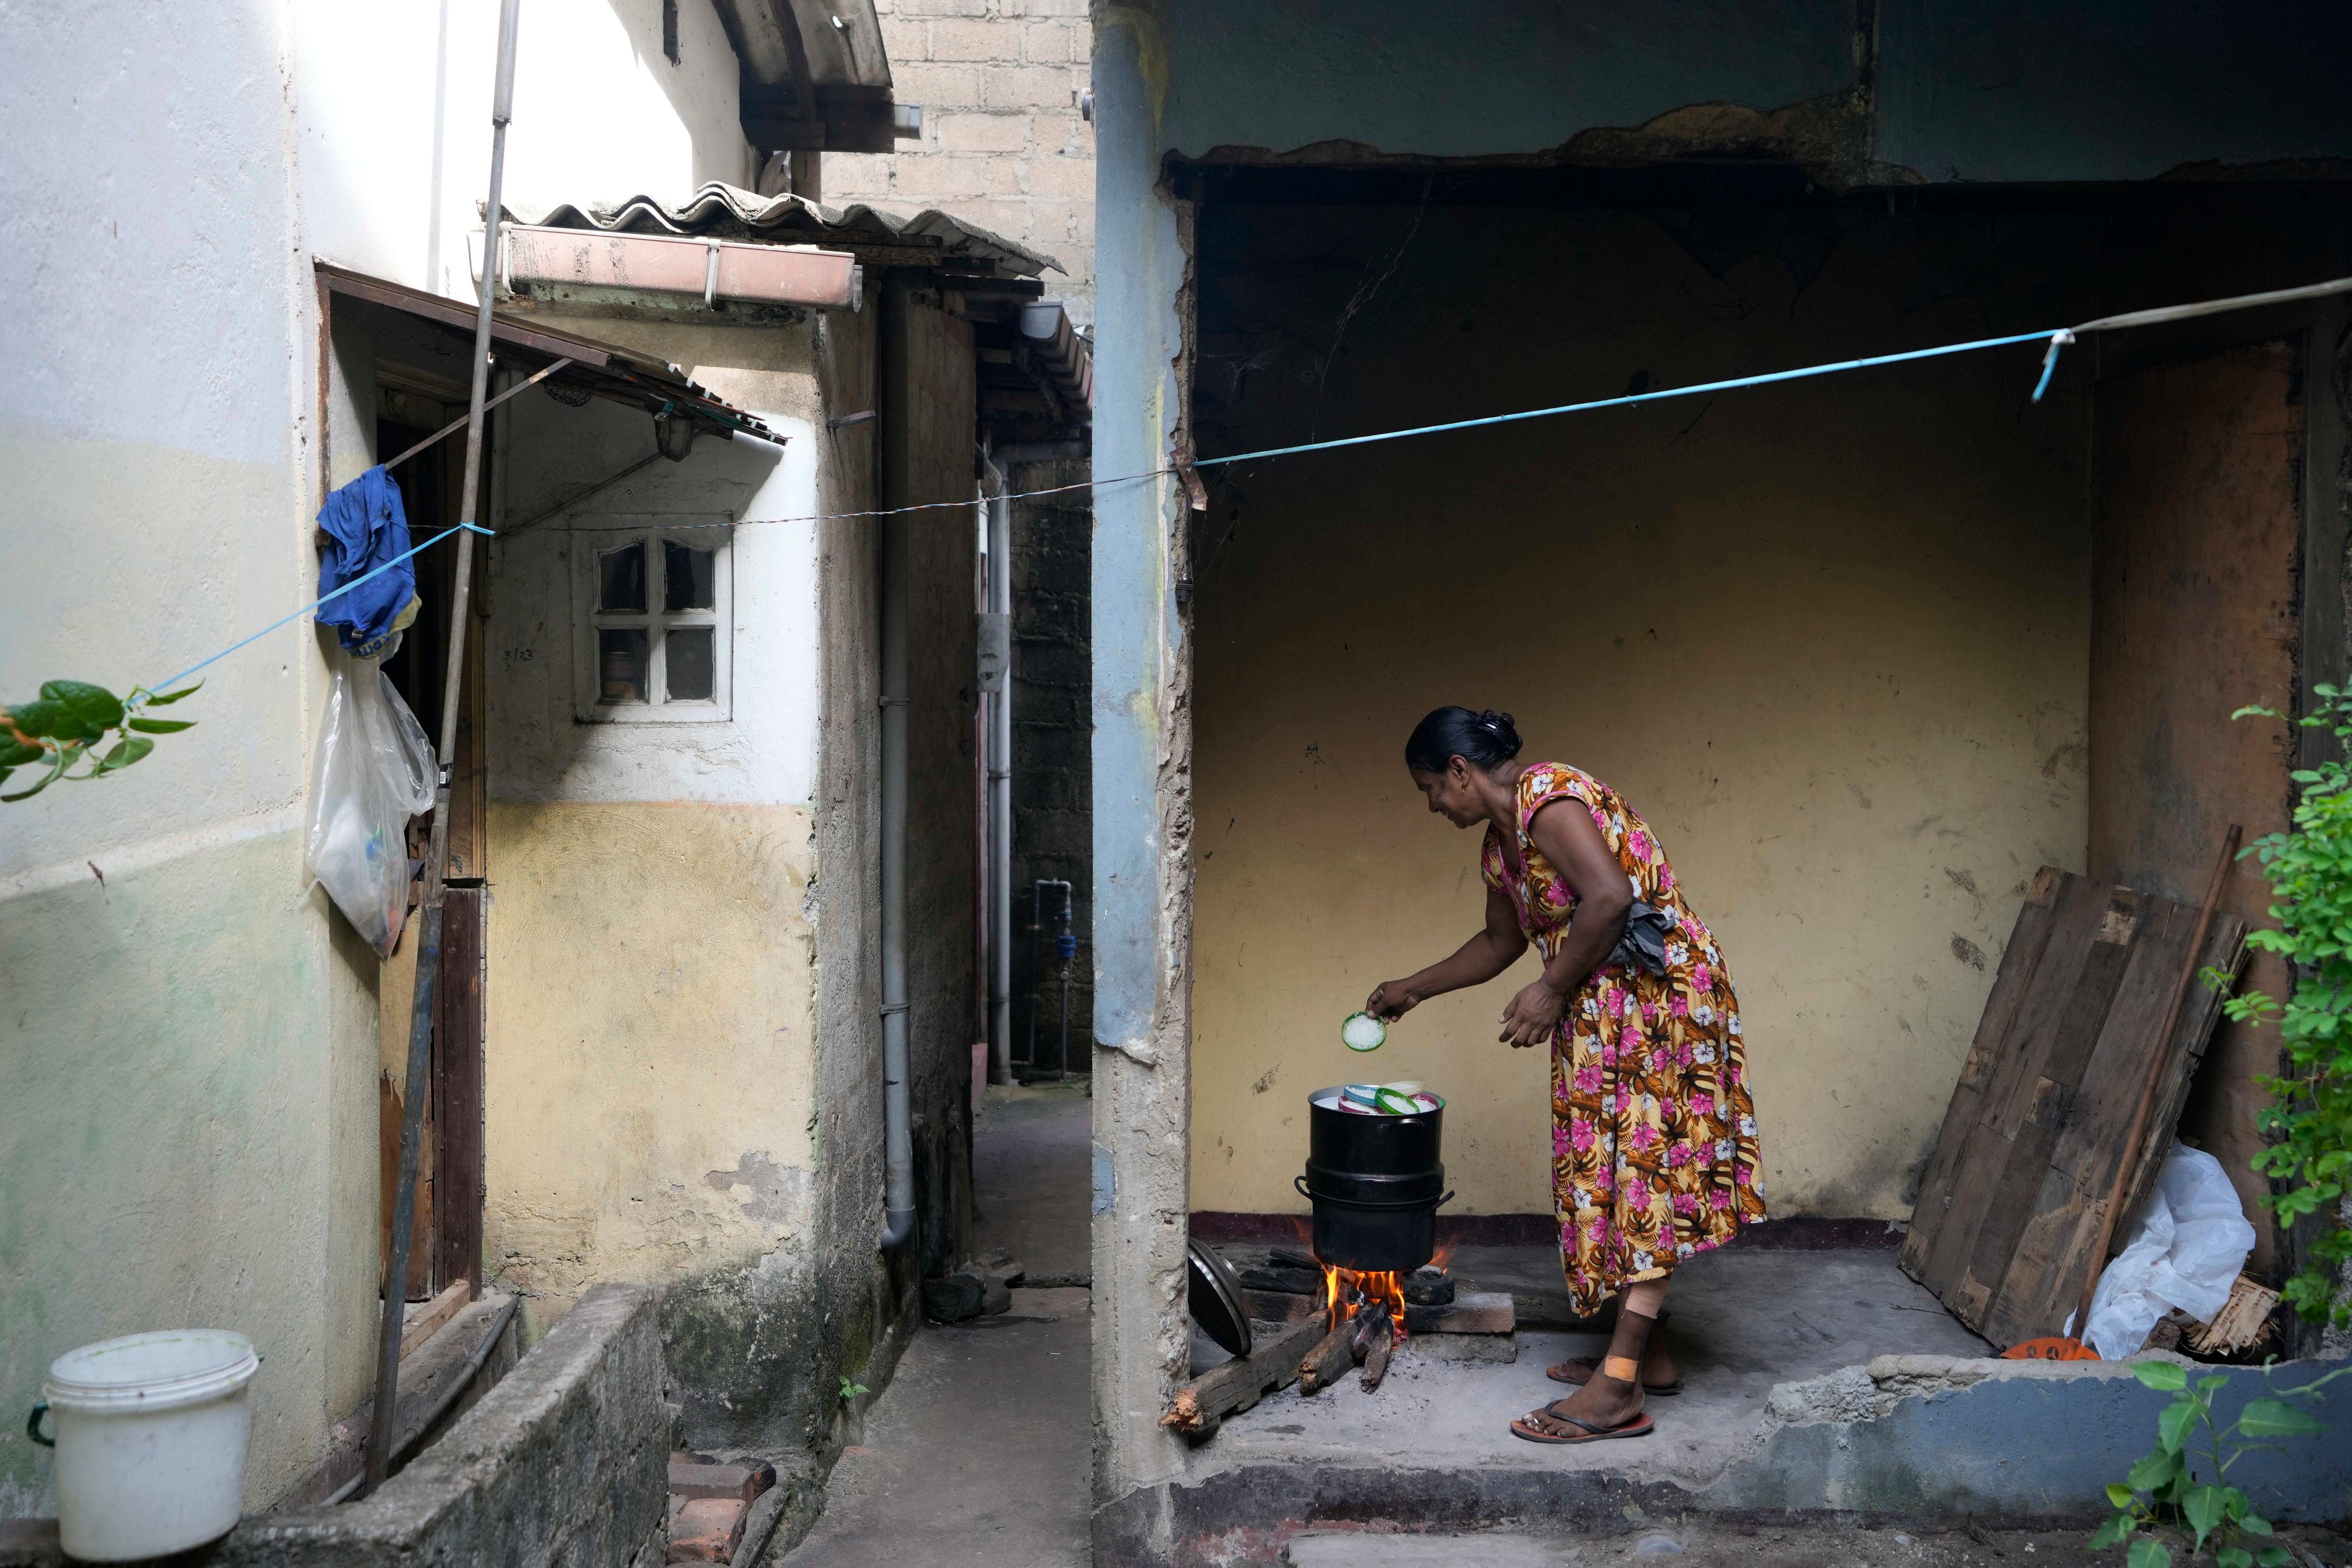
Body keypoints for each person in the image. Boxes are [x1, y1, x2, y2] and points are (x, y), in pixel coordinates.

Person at [1366, 707, 1764, 1444]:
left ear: (1460, 769)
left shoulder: (1548, 795)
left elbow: (1610, 898)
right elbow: (1497, 942)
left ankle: (1617, 1385)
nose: (1431, 804)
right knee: (1607, 1172)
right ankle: (1655, 1353)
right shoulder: (1499, 849)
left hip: (1659, 1001)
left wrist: (1551, 987)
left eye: (1430, 787)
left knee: (1646, 1171)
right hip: (1605, 1009)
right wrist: (1413, 986)